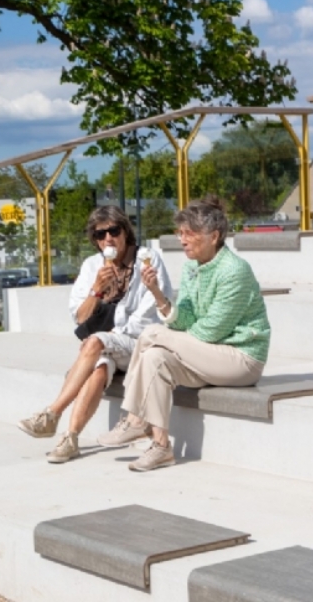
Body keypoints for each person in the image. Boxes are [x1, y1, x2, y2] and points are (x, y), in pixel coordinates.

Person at [97, 196, 271, 472]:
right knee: (154, 357)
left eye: (189, 233)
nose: (182, 239)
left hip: (241, 359)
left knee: (154, 333)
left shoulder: (234, 271)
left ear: (214, 236)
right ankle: (161, 446)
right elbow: (185, 320)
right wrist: (156, 293)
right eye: (180, 233)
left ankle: (133, 419)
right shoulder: (192, 266)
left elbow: (211, 331)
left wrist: (166, 335)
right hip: (206, 356)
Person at [17, 205, 172, 463]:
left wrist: (109, 334)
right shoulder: (92, 266)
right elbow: (80, 317)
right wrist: (97, 290)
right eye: (101, 235)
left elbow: (147, 316)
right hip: (108, 346)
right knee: (99, 367)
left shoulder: (147, 259)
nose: (108, 239)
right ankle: (71, 438)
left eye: (114, 231)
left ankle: (52, 413)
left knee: (96, 342)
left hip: (140, 344)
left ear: (125, 232)